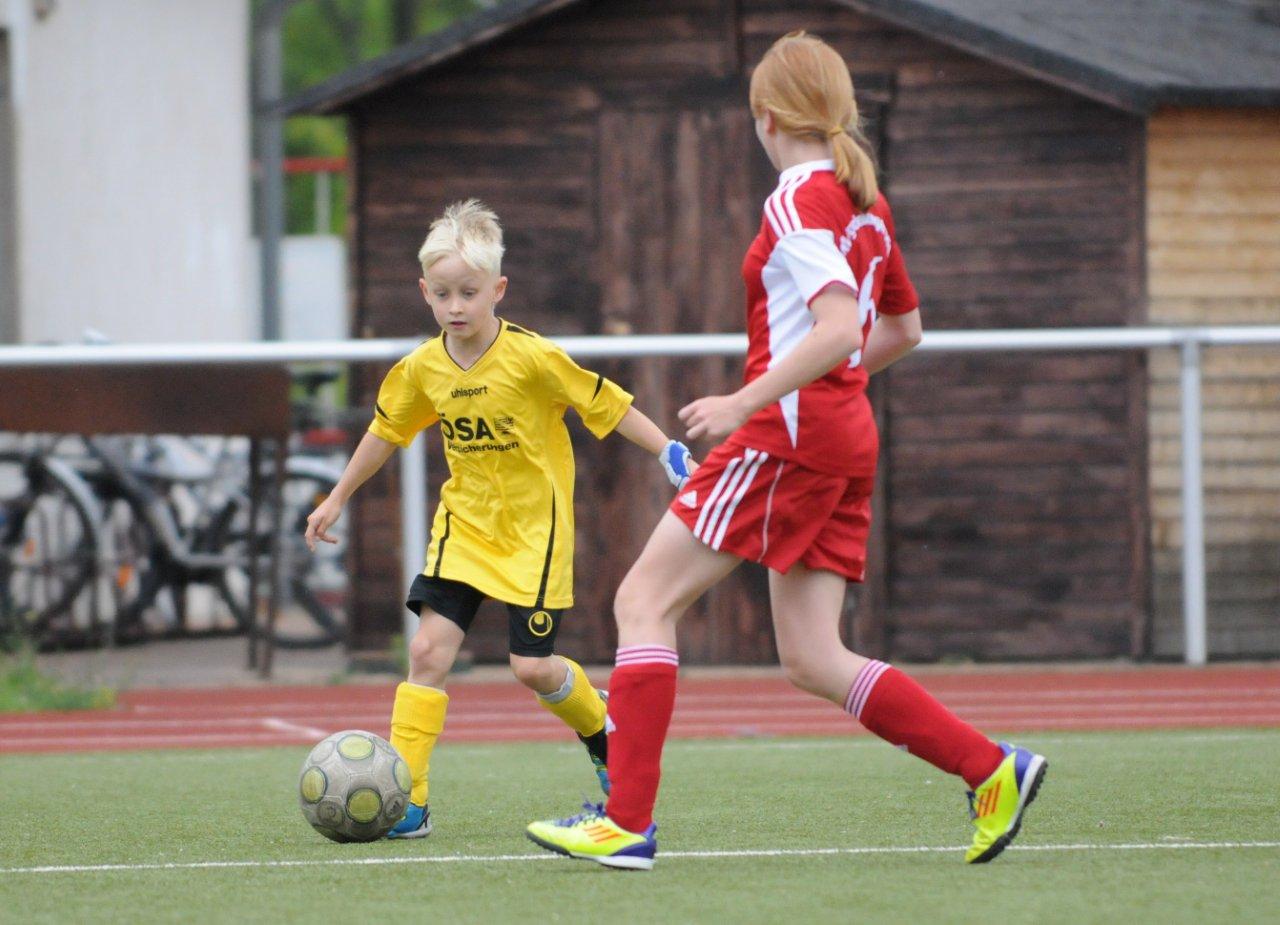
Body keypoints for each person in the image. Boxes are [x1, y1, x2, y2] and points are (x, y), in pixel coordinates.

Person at [525, 32, 1047, 869]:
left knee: (643, 600)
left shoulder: (796, 200)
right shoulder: (865, 202)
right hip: (843, 436)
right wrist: (826, 391)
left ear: (765, 116)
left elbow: (839, 328)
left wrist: (747, 401)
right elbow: (903, 330)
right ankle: (990, 769)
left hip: (790, 437)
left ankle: (625, 822)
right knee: (812, 657)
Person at [304, 199, 694, 839]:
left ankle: (599, 727)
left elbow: (606, 404)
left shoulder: (532, 358)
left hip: (534, 534)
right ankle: (411, 804)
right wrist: (337, 496)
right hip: (464, 527)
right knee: (427, 651)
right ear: (424, 293)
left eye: (469, 293)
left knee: (531, 668)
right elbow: (385, 431)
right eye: (443, 294)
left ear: (498, 290)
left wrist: (668, 452)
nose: (455, 306)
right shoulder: (421, 368)